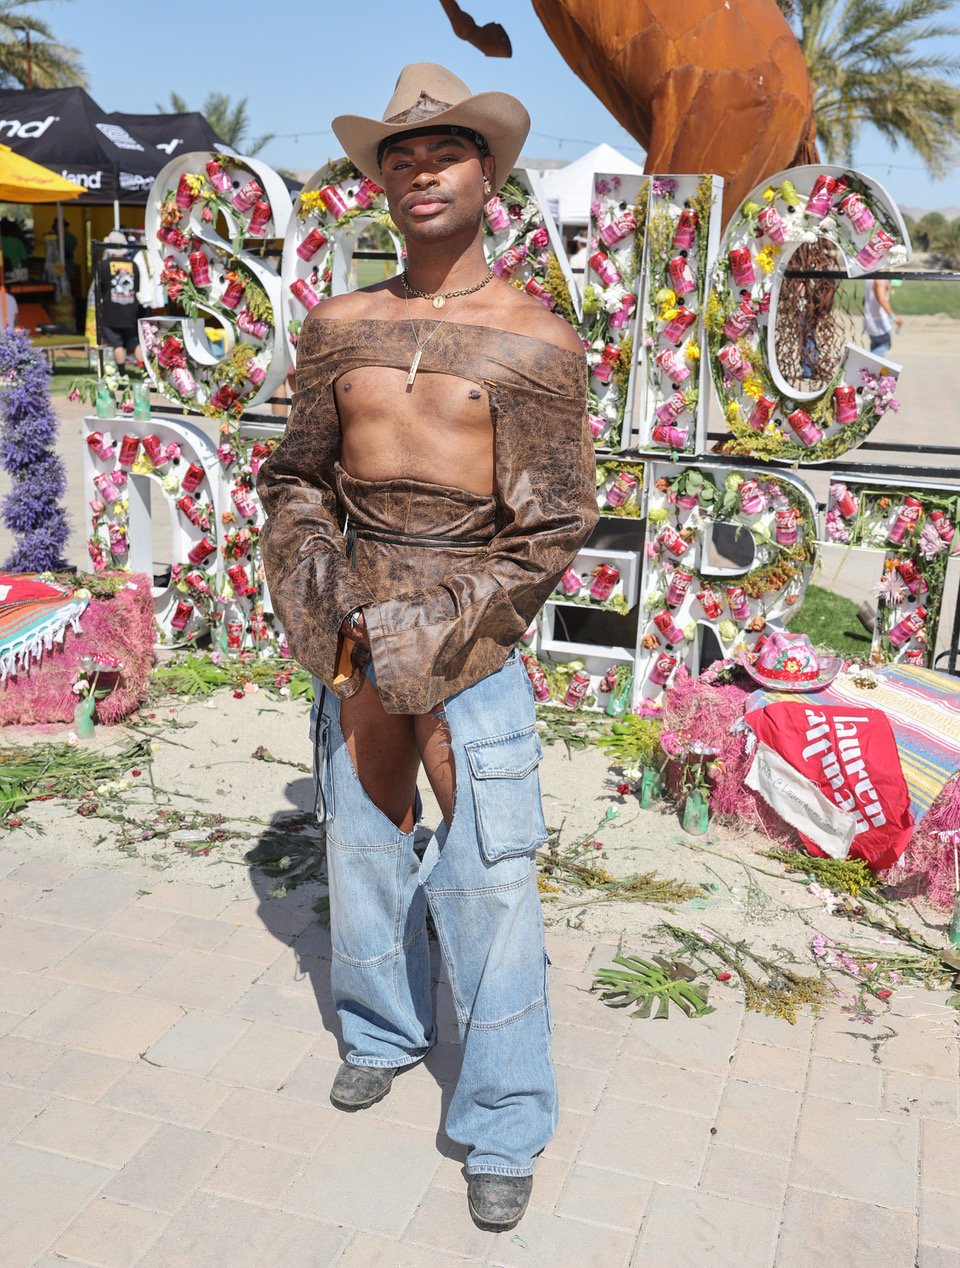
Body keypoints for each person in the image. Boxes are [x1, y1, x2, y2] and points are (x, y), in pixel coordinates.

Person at [257, 62, 597, 1232]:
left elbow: (552, 521)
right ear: (381, 184)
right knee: (357, 841)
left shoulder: (536, 338)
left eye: (442, 153)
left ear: (487, 173)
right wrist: (319, 587)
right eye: (397, 158)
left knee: (492, 879)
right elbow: (297, 473)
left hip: (474, 635)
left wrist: (451, 631)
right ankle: (382, 1029)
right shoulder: (338, 326)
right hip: (354, 625)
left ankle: (503, 1116)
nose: (418, 172)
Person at [98, 230, 142, 368]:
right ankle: (145, 373)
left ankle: (122, 375)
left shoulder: (104, 265)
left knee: (117, 343)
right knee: (134, 342)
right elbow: (137, 287)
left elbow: (100, 288)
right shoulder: (133, 265)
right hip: (131, 309)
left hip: (111, 310)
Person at [863, 277, 902, 356]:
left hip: (869, 319)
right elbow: (881, 299)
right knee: (885, 344)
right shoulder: (882, 277)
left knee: (875, 345)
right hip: (879, 322)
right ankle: (867, 365)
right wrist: (893, 317)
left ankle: (871, 365)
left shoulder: (870, 276)